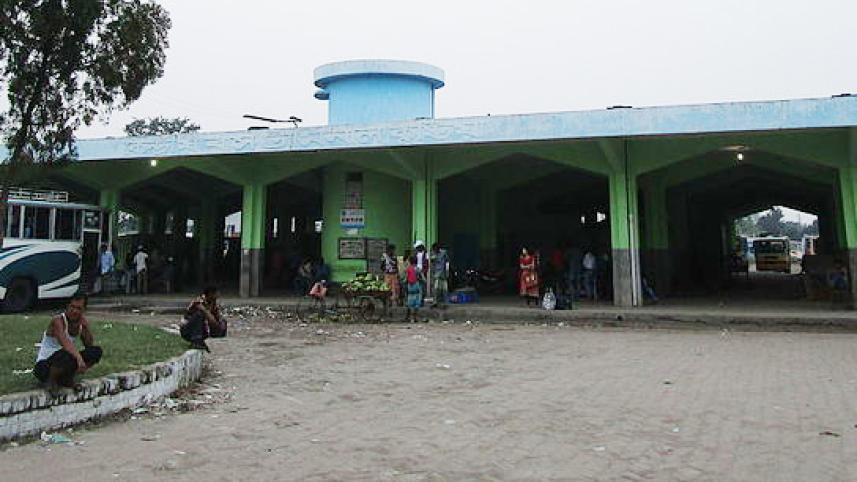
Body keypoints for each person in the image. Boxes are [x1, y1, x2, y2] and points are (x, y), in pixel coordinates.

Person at [33, 293, 102, 394]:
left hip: (65, 362)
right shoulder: (58, 321)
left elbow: (89, 345)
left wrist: (86, 328)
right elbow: (65, 342)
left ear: (83, 310)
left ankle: (66, 378)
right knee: (65, 354)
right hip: (45, 366)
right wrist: (79, 359)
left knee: (95, 351)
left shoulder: (81, 324)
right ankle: (51, 381)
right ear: (67, 306)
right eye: (72, 307)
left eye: (78, 308)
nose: (74, 311)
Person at [180, 286, 228, 352]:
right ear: (211, 293)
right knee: (200, 315)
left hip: (201, 329)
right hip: (187, 329)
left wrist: (219, 324)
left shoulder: (213, 303)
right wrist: (212, 319)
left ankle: (202, 339)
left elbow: (217, 317)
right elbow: (206, 313)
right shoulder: (199, 300)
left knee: (222, 322)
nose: (218, 294)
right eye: (217, 293)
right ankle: (196, 340)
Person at [405, 255, 421, 322]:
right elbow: (422, 277)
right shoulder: (417, 269)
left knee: (410, 301)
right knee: (417, 300)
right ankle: (415, 317)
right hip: (416, 285)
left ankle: (411, 318)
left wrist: (403, 282)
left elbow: (406, 278)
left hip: (410, 286)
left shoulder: (408, 269)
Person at [414, 241, 429, 305]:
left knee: (422, 286)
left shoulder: (426, 254)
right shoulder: (416, 253)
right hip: (416, 271)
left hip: (422, 271)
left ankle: (421, 300)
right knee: (416, 286)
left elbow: (427, 264)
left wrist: (423, 271)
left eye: (418, 247)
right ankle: (417, 300)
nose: (417, 249)